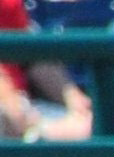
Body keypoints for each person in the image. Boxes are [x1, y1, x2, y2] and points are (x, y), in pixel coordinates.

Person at [0, 0, 93, 141]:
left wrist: (67, 92)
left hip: (24, 105)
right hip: (9, 110)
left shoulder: (8, 4)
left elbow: (30, 56)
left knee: (85, 124)